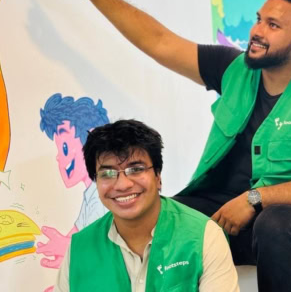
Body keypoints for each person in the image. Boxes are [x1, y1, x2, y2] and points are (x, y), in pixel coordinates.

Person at [50, 0, 291, 292]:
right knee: (161, 216)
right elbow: (159, 41)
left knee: (276, 223)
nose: (257, 31)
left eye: (273, 25)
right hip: (225, 214)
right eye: (259, 19)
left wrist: (255, 199)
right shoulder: (234, 68)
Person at [53, 119, 239, 292]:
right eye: (108, 173)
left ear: (158, 176)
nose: (123, 184)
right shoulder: (79, 250)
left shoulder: (204, 236)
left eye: (136, 169)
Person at [37, 93, 109, 269]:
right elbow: (76, 237)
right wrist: (57, 245)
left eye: (64, 147)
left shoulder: (105, 196)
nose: (58, 157)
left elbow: (101, 250)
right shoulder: (91, 193)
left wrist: (68, 249)